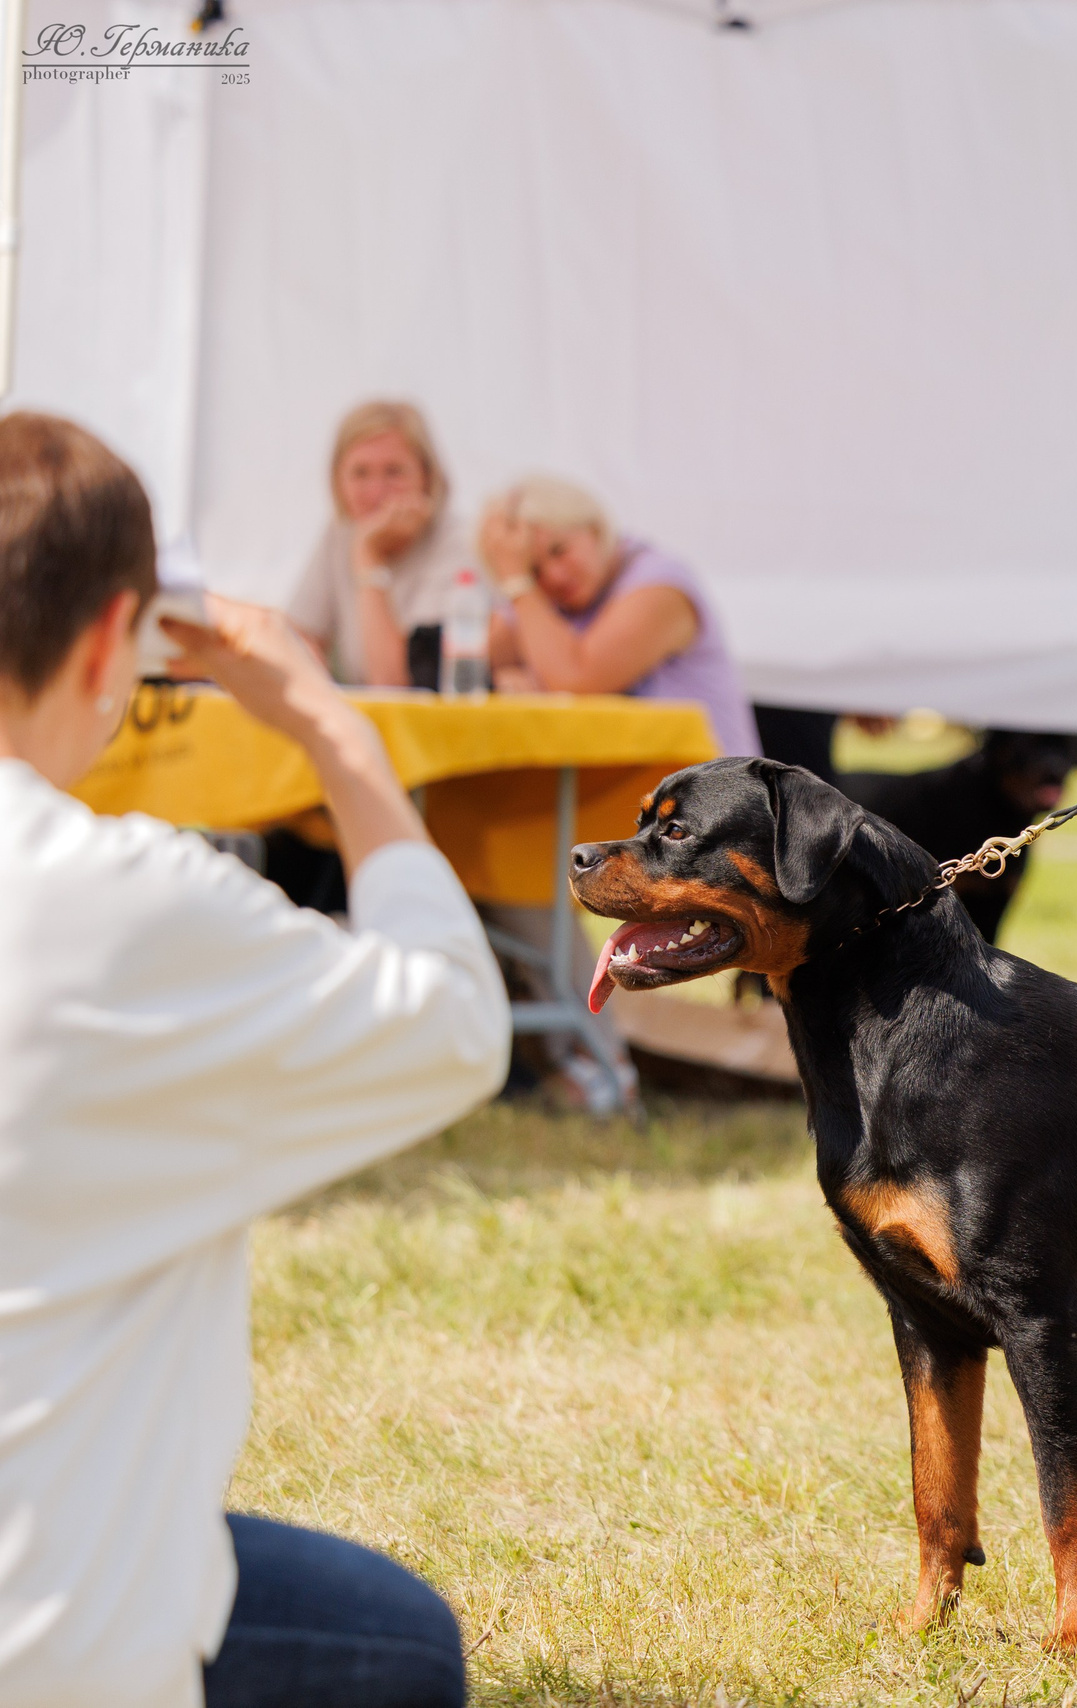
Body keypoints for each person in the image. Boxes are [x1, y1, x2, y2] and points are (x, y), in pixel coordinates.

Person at [0, 413, 510, 1704]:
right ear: (119, 635)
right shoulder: (125, 904)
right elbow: (453, 1018)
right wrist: (331, 730)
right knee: (405, 1656)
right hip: (53, 1639)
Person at [477, 474, 761, 756]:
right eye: (533, 570)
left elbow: (576, 681)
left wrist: (518, 583)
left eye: (559, 551)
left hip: (715, 794)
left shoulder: (659, 585)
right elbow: (474, 658)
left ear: (594, 528)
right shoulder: (548, 600)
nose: (554, 576)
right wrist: (507, 676)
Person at [285, 400, 477, 687]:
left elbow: (392, 681)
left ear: (426, 476)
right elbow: (299, 633)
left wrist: (368, 557)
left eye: (394, 472)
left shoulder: (459, 543)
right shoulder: (341, 533)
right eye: (360, 473)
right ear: (337, 479)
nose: (376, 493)